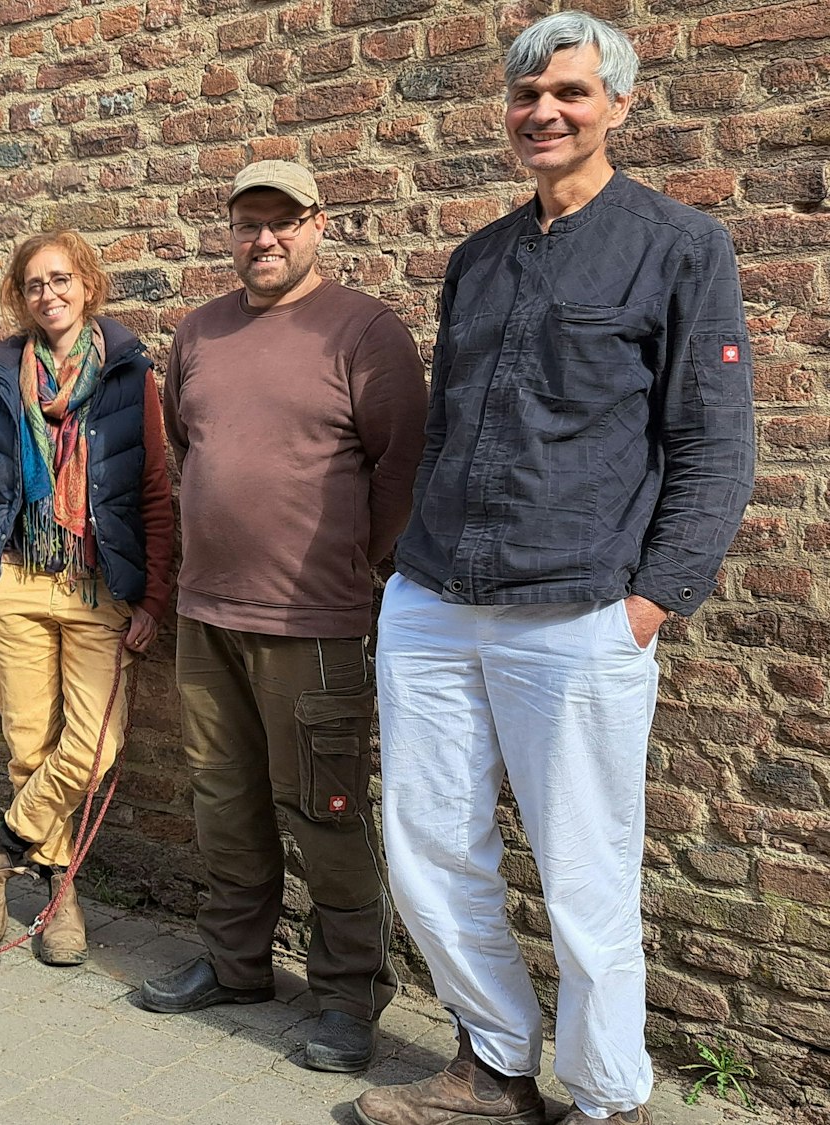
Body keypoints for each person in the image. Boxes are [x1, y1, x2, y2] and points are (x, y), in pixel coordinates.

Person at [356, 13, 756, 1125]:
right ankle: (490, 1068)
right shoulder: (476, 258)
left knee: (584, 879)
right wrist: (402, 570)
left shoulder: (679, 247)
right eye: (526, 94)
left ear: (617, 106)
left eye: (570, 94)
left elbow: (715, 446)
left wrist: (650, 601)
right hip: (434, 598)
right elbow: (445, 426)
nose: (543, 112)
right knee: (428, 854)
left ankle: (605, 1097)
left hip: (576, 609)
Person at [130, 160, 426, 1073]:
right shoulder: (199, 332)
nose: (265, 238)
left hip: (316, 622)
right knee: (223, 798)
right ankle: (236, 962)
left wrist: (354, 563)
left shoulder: (366, 332)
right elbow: (188, 449)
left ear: (318, 225)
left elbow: (403, 469)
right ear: (231, 231)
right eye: (248, 223)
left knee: (324, 808)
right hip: (209, 611)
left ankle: (348, 996)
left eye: (284, 222)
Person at [0, 229, 174, 967]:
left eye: (61, 279)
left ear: (88, 284)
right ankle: (60, 895)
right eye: (34, 284)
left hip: (96, 584)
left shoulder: (126, 374)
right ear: (20, 296)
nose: (48, 294)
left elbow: (153, 492)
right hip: (15, 578)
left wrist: (153, 597)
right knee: (30, 747)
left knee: (95, 742)